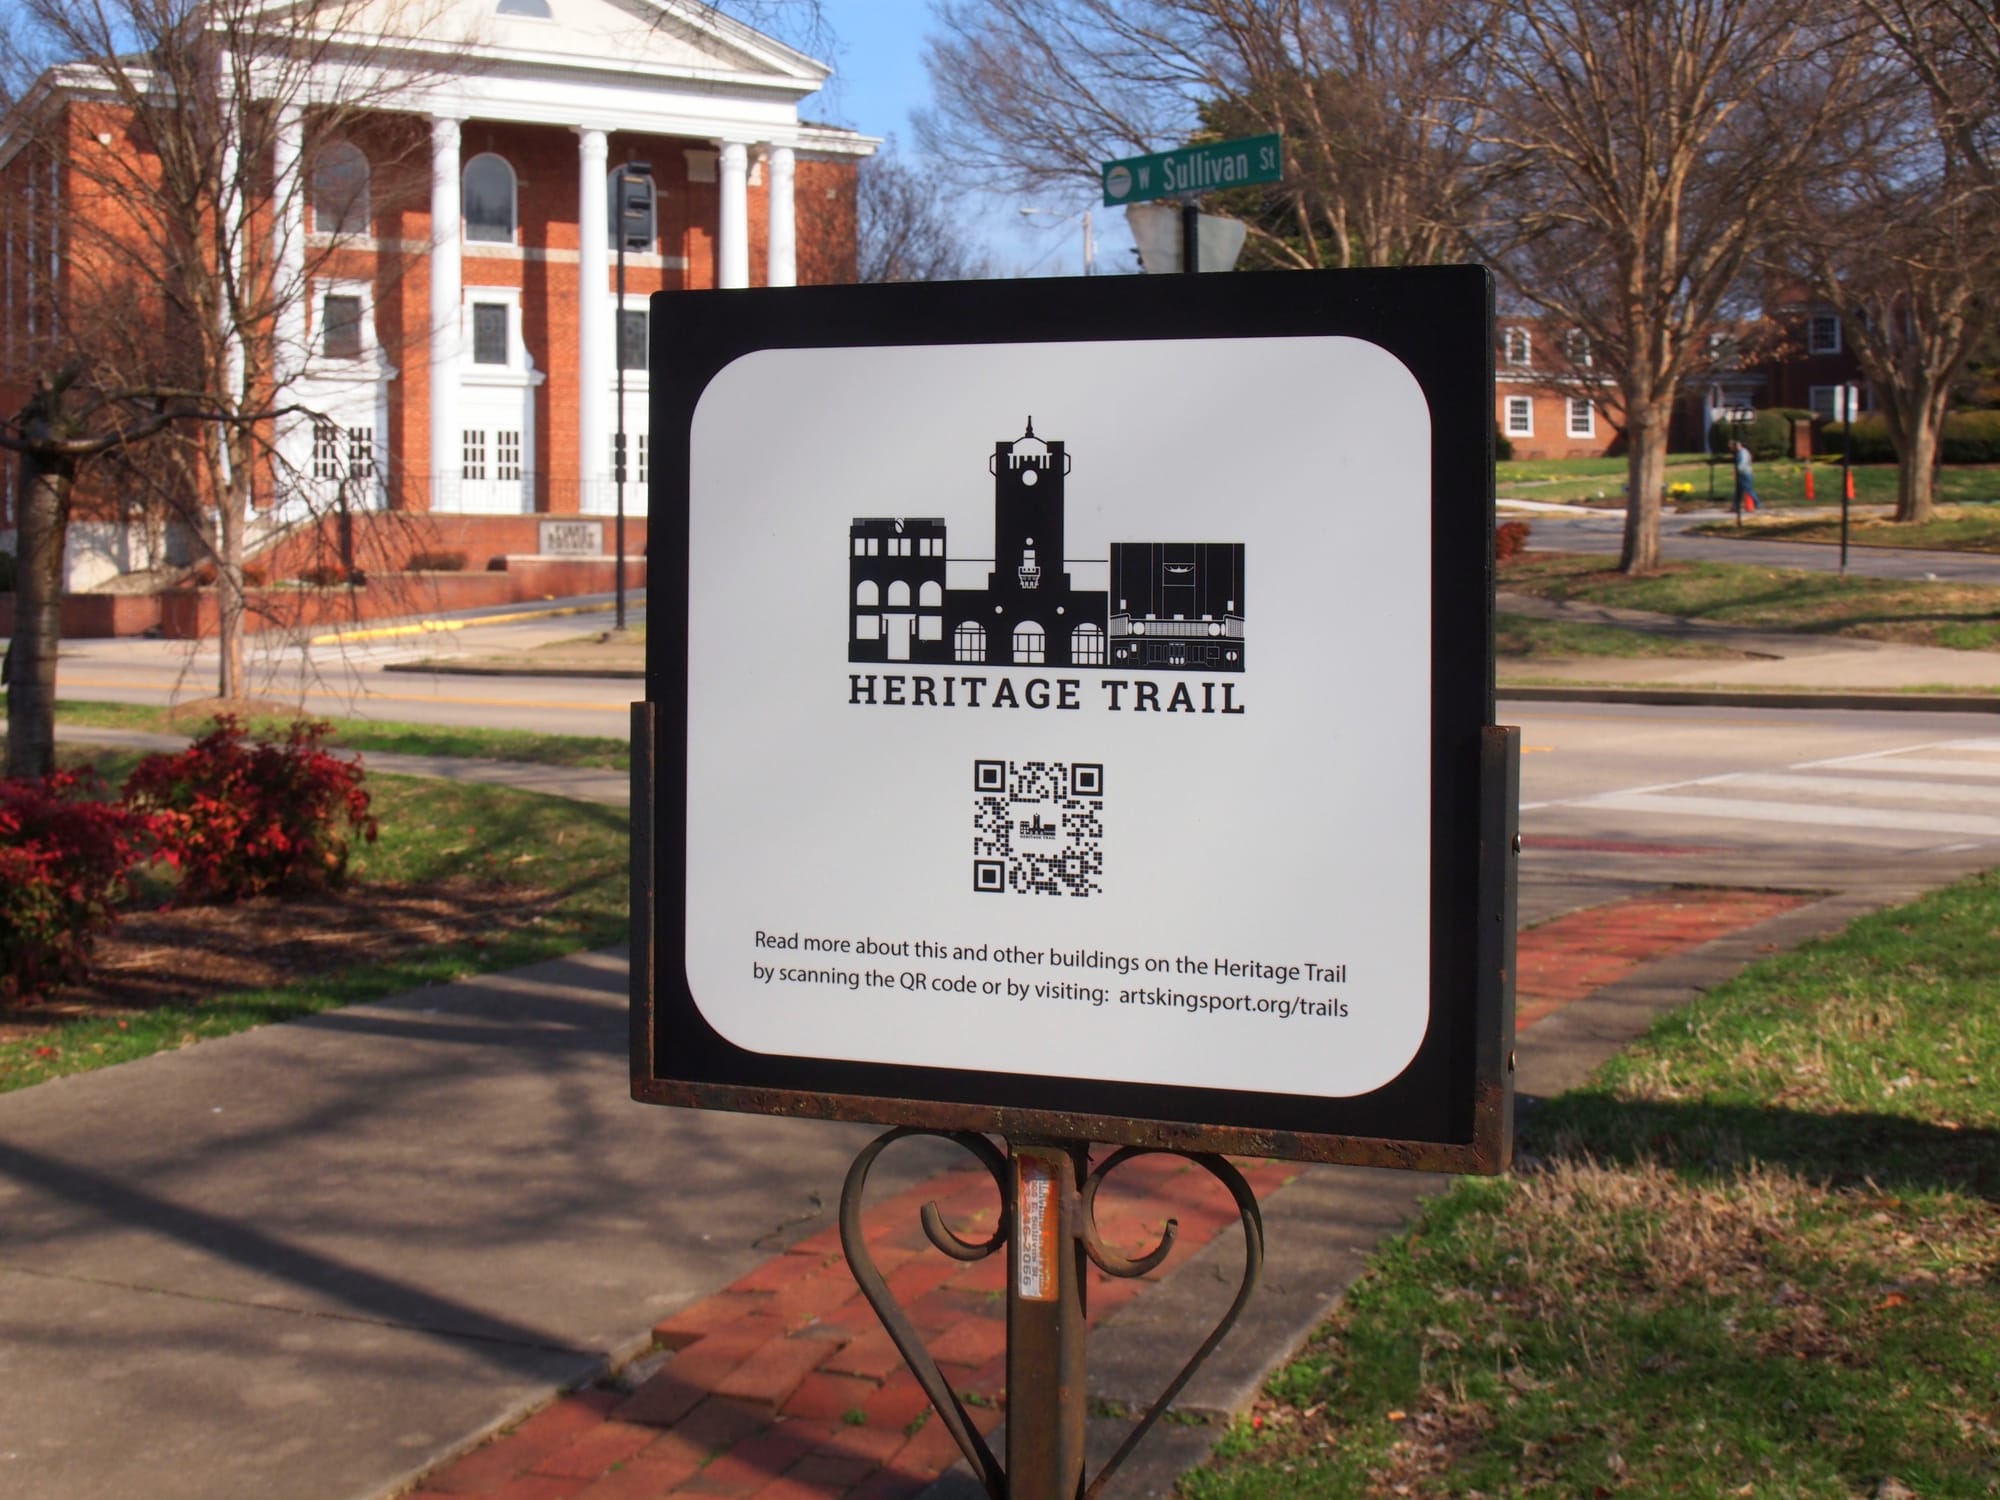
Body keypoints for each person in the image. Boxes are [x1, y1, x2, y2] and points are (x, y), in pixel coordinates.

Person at [1733, 441, 1760, 513]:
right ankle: (1735, 506)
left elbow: (1743, 463)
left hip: (1745, 474)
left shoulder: (1743, 453)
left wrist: (1737, 470)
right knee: (1738, 491)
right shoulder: (1740, 452)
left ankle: (1757, 503)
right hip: (1742, 474)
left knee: (1748, 489)